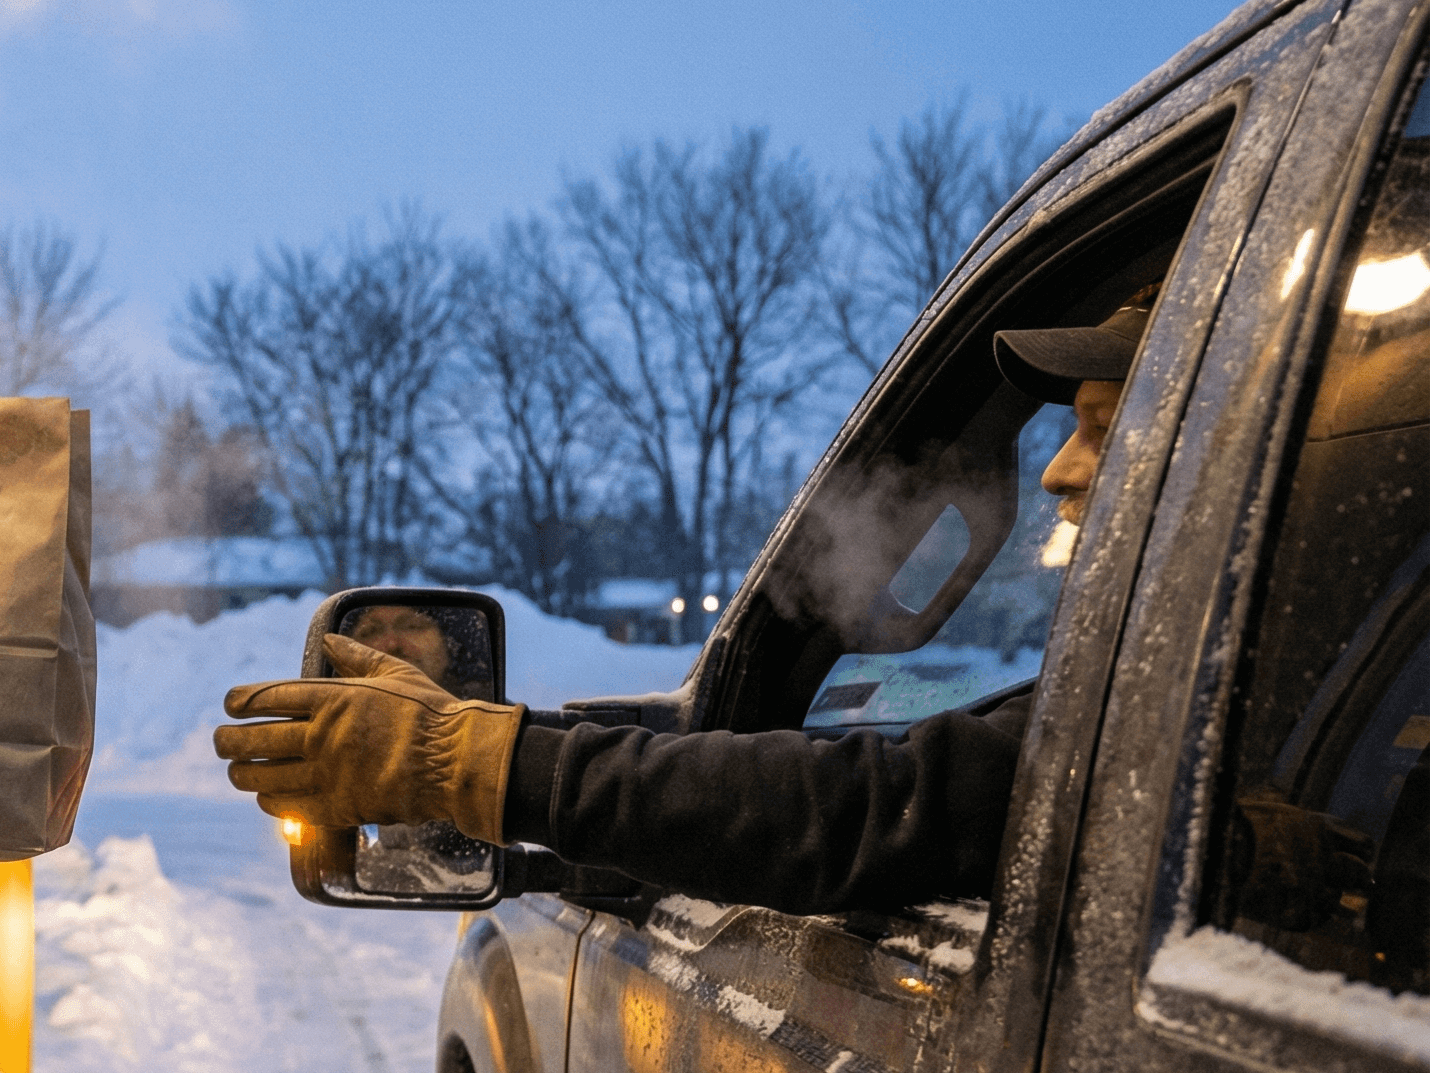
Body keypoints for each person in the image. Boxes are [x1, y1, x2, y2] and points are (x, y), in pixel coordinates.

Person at [211, 291, 1152, 915]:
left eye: (1102, 429)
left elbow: (879, 809)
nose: (1061, 471)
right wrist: (495, 760)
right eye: (1070, 430)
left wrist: (469, 760)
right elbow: (900, 787)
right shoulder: (1155, 694)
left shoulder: (1176, 709)